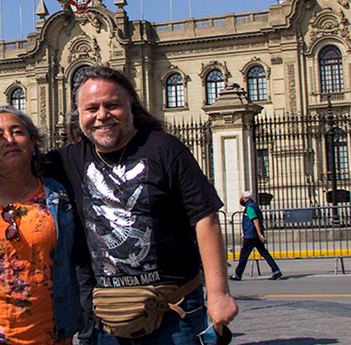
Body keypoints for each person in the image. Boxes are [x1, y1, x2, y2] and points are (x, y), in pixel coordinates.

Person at [46, 65, 237, 345]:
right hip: (110, 317)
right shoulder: (68, 160)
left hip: (174, 310)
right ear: (79, 116)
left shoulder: (165, 148)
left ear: (131, 107)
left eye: (112, 105)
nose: (102, 116)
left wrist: (219, 294)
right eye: (91, 108)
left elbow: (205, 219)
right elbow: (16, 167)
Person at [0, 106, 84, 345]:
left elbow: (80, 257)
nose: (9, 140)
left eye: (17, 132)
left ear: (33, 143)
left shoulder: (58, 197)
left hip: (44, 335)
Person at [229, 191, 282, 281]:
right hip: (252, 234)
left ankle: (238, 274)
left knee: (244, 255)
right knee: (264, 253)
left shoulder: (250, 208)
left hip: (251, 236)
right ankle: (276, 270)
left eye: (242, 198)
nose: (241, 199)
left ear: (246, 199)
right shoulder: (254, 205)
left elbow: (255, 221)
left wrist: (259, 233)